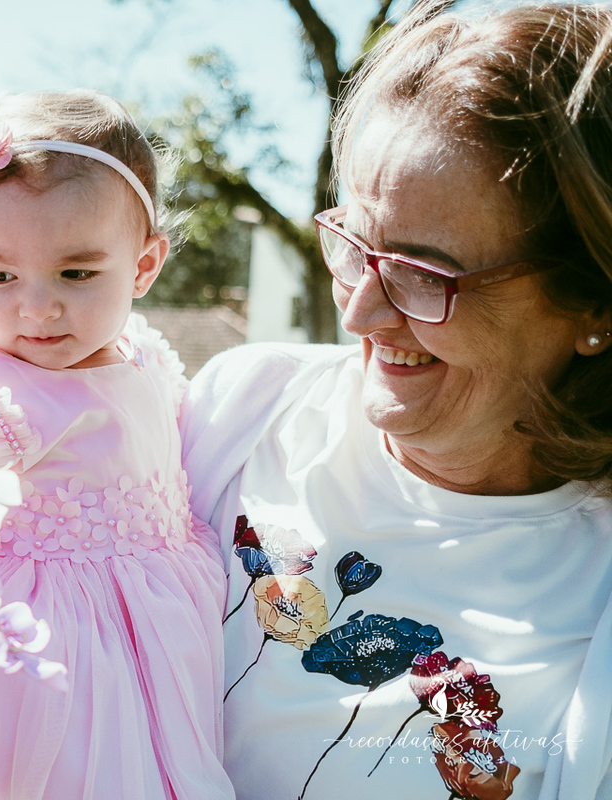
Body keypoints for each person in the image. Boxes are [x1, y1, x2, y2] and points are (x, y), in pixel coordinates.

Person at [181, 4, 612, 799]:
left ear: (591, 305)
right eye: (355, 244)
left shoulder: (598, 604)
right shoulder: (240, 411)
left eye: (422, 272)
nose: (359, 314)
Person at [0, 90, 234, 800]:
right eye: (0, 276)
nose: (37, 307)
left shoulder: (149, 365)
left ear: (144, 265)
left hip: (159, 644)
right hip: (45, 669)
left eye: (76, 272)